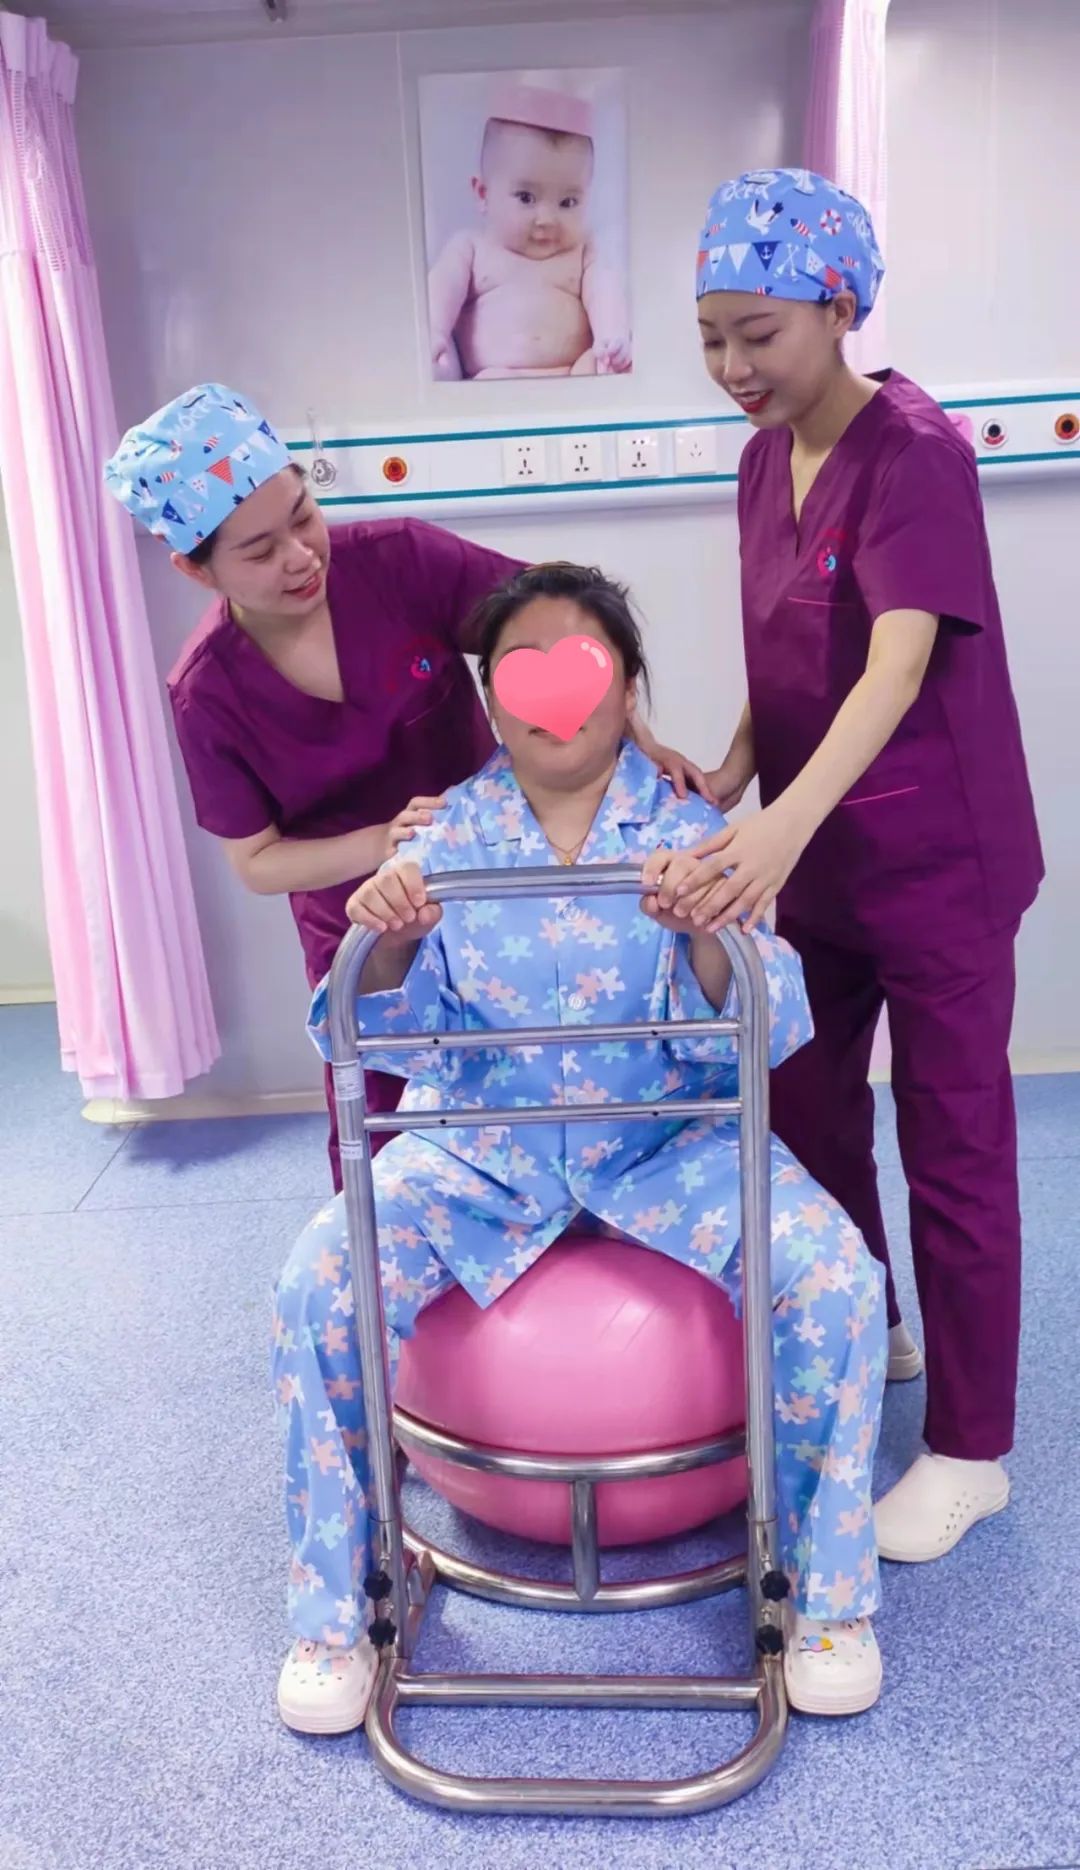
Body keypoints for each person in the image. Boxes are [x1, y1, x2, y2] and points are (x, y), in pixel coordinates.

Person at [272, 562, 887, 1737]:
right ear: (492, 700)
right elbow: (378, 1028)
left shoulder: (696, 829)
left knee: (838, 1280)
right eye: (523, 672)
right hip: (481, 1144)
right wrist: (388, 940)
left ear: (628, 688)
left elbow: (763, 1031)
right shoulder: (444, 835)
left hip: (669, 1138)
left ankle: (828, 1602)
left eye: (586, 667)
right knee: (314, 1282)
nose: (558, 699)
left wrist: (707, 934)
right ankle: (335, 1612)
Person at [675, 170, 1042, 1564]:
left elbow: (893, 663)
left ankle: (971, 1450)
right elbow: (793, 644)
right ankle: (867, 1312)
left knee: (954, 1142)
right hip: (821, 854)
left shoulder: (916, 453)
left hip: (937, 856)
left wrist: (778, 824)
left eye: (758, 333)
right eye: (711, 336)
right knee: (809, 1111)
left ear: (838, 307)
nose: (732, 366)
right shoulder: (761, 457)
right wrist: (733, 771)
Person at [104, 384, 692, 1188]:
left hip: (496, 884)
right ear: (193, 568)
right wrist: (381, 846)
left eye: (304, 516)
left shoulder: (402, 562)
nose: (301, 556)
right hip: (360, 916)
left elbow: (561, 633)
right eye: (260, 551)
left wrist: (640, 734)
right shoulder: (206, 692)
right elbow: (257, 862)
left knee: (545, 1092)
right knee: (383, 1128)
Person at [427, 83, 631, 381]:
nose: (546, 219)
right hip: (491, 379)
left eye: (567, 202)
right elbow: (441, 288)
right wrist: (434, 330)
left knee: (603, 365)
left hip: (573, 378)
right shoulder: (471, 248)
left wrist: (612, 336)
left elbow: (605, 292)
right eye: (526, 198)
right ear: (483, 193)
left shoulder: (583, 251)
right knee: (439, 363)